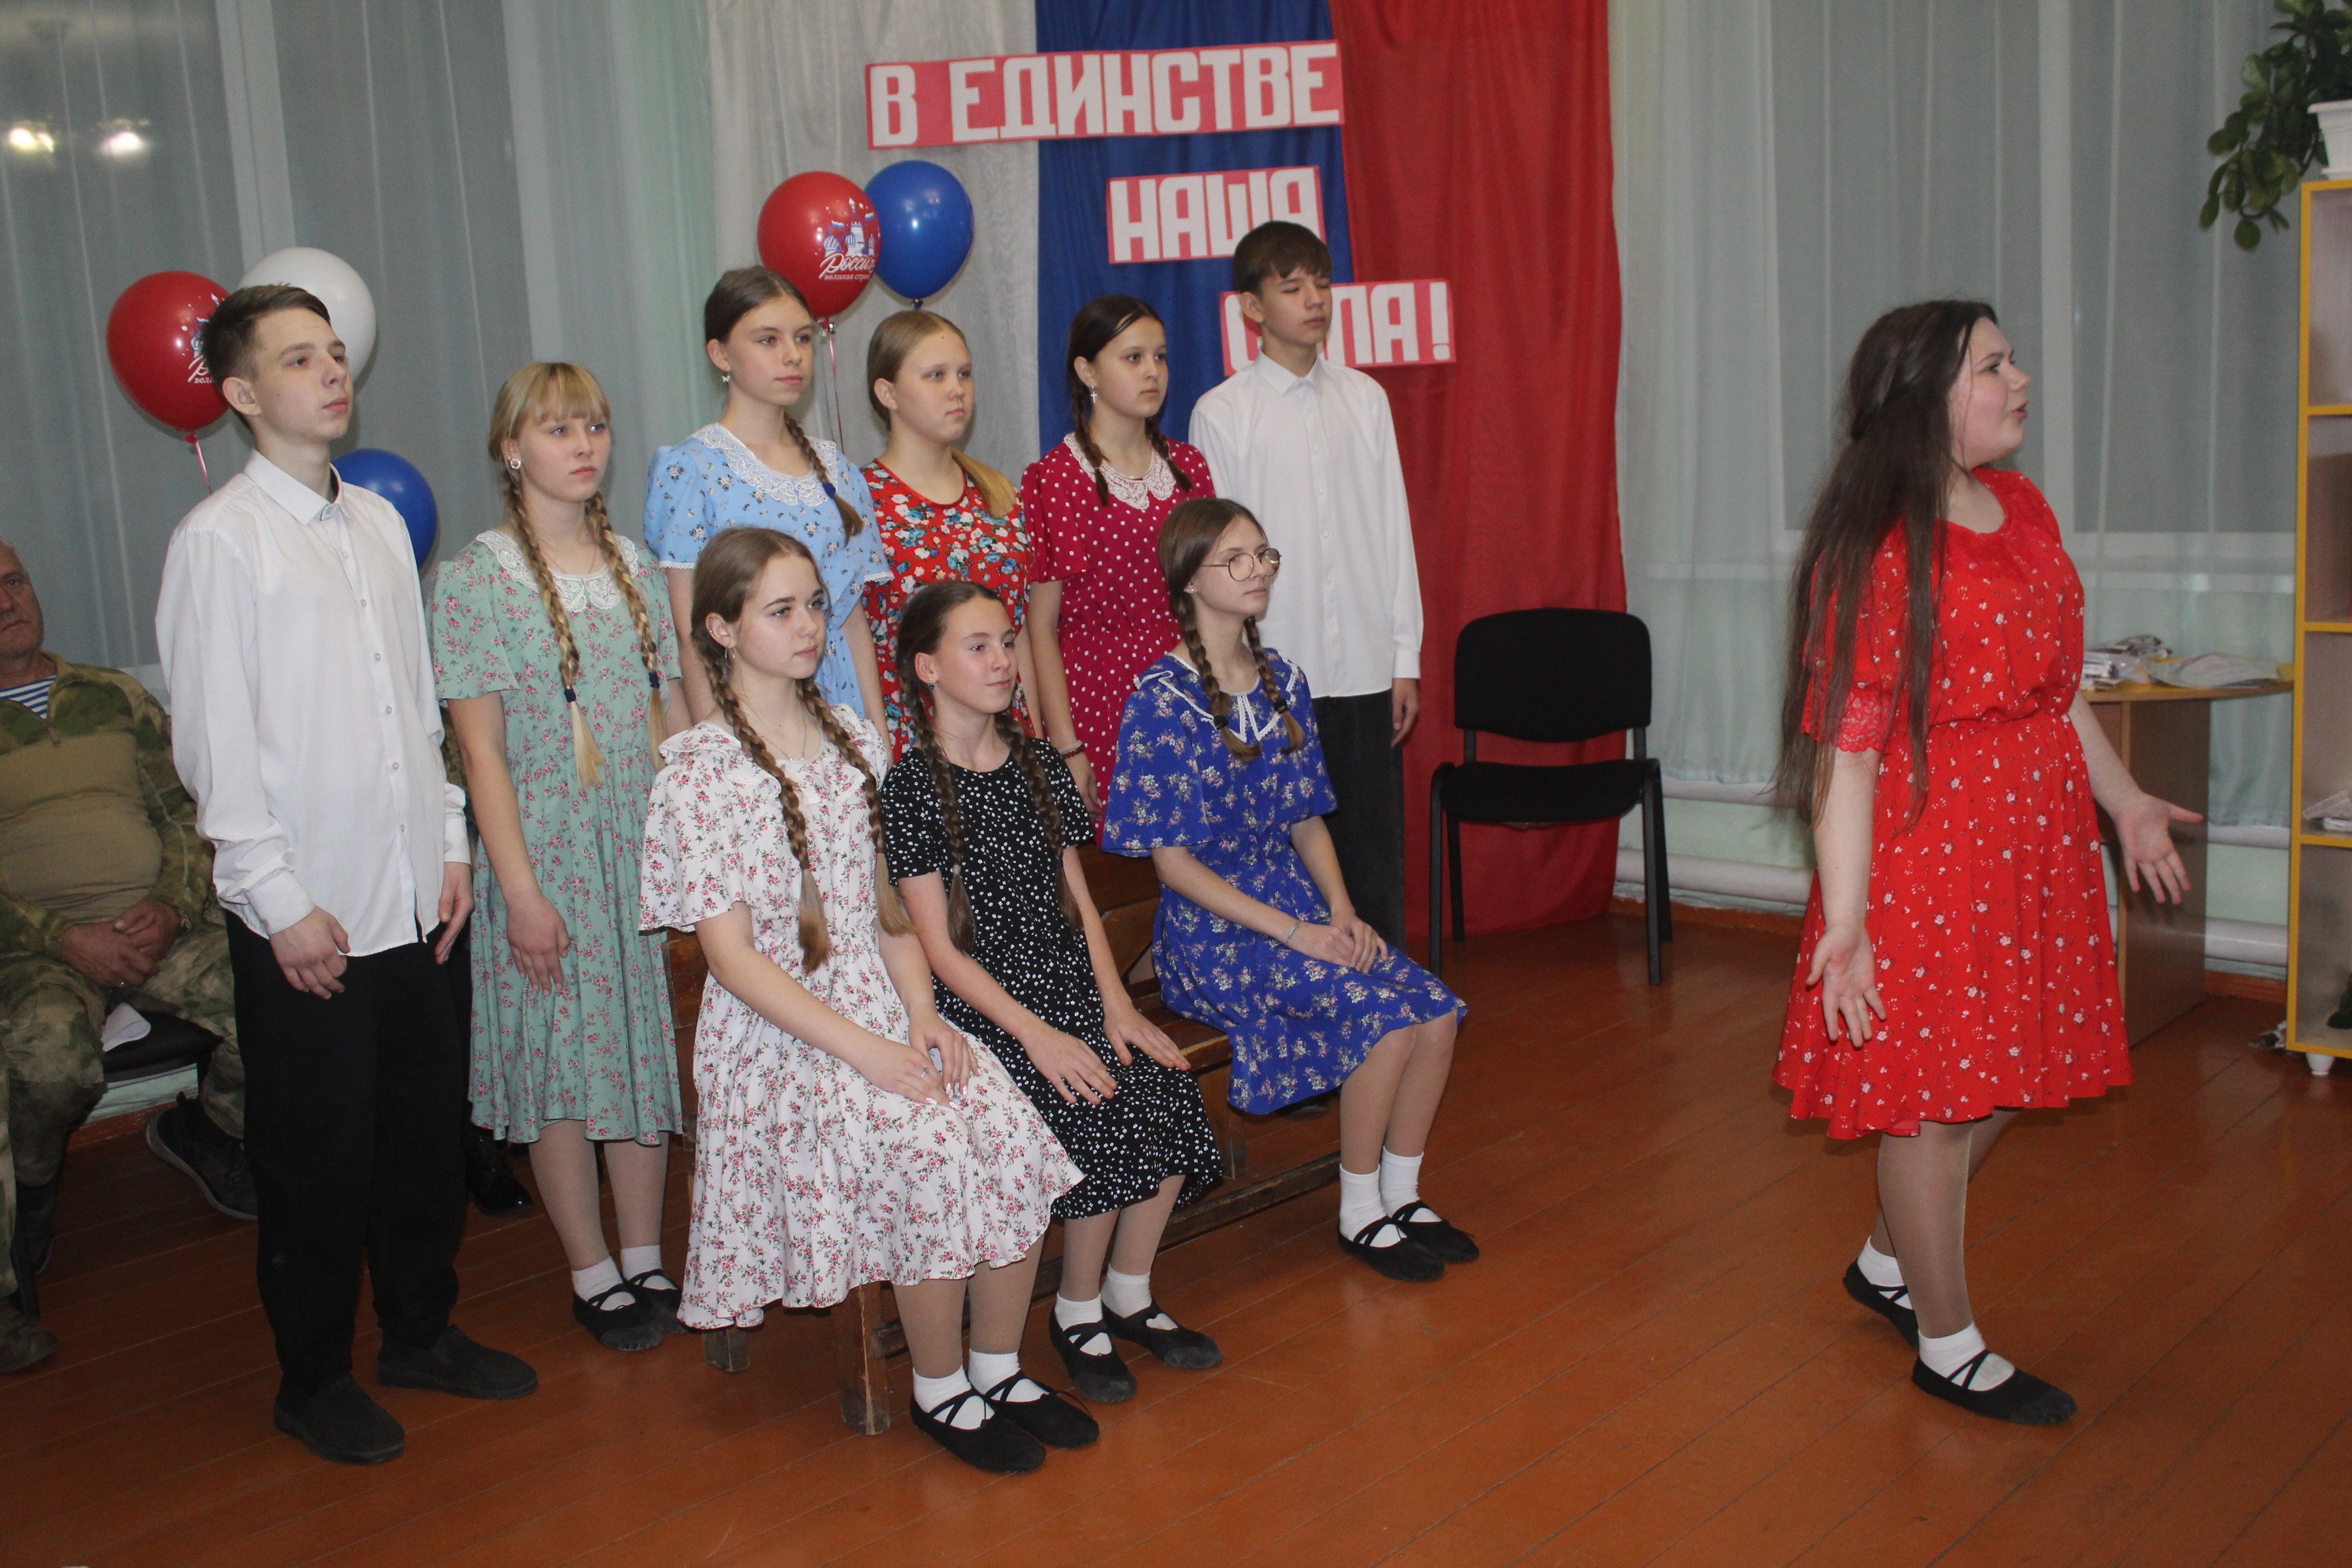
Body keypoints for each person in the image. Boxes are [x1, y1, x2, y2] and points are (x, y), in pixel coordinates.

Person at [1776, 300, 2200, 1426]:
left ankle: (1887, 1262)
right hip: (1930, 849)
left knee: (2005, 1068)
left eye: (2013, 360)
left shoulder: (2022, 506)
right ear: (1925, 399)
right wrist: (1848, 921)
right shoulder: (1876, 549)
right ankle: (1947, 1343)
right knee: (1934, 1100)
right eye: (1993, 365)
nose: (2021, 380)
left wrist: (2125, 804)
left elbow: (2057, 693)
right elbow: (1845, 756)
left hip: (2032, 837)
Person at [156, 283, 536, 1465]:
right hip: (308, 914)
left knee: (423, 1134)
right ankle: (311, 1377)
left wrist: (451, 844)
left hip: (414, 897)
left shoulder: (374, 520)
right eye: (295, 359)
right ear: (238, 392)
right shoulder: (220, 541)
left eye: (333, 353)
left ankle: (419, 1331)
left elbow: (415, 711)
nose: (329, 372)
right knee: (316, 1158)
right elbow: (214, 747)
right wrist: (280, 906)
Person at [640, 527, 1090, 1474]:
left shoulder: (855, 737)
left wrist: (922, 1017)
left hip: (883, 1001)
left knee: (1009, 1127)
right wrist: (867, 1050)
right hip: (781, 1031)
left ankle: (998, 1367)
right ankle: (939, 1388)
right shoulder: (699, 770)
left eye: (815, 604)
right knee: (928, 1150)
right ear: (721, 629)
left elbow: (887, 914)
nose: (810, 626)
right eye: (781, 611)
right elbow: (734, 962)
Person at [1102, 498, 1469, 1283]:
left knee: (1435, 1012)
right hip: (1213, 934)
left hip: (1298, 910)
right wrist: (1297, 933)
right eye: (1236, 559)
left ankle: (1400, 1196)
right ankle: (1359, 1210)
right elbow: (1175, 867)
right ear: (1189, 580)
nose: (1257, 571)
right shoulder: (1161, 700)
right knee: (1382, 1021)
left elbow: (1307, 821)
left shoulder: (1285, 681)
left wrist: (1342, 911)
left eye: (1264, 555)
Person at [882, 581, 1225, 1403]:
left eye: (1007, 642)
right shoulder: (912, 786)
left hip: (1068, 985)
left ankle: (1125, 1292)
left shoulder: (1037, 764)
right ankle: (1075, 1313)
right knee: (1094, 1105)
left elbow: (1078, 898)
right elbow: (938, 950)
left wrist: (1117, 1004)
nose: (1004, 660)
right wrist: (1037, 1034)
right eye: (979, 647)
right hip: (988, 1009)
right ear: (927, 668)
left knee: (1164, 1086)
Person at [434, 363, 685, 1352]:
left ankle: (645, 1253)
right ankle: (590, 1267)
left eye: (594, 426)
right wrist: (523, 892)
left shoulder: (633, 565)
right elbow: (481, 753)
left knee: (637, 1049)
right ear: (511, 450)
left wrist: (687, 849)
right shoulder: (476, 580)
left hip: (635, 849)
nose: (582, 446)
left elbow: (667, 715)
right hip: (544, 853)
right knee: (563, 1064)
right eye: (556, 429)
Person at [0, 540, 252, 1373]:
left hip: (155, 927)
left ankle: (208, 1133)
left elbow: (186, 810)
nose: (6, 601)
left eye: (14, 581)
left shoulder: (113, 695)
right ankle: (35, 1190)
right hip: (40, 951)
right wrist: (64, 937)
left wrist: (173, 909)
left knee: (277, 997)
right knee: (48, 1065)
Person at [1190, 222, 1424, 948]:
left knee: (1372, 856)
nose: (1314, 300)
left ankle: (1386, 992)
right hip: (1275, 672)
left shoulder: (1365, 398)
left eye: (1322, 284)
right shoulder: (1223, 412)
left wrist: (1404, 656)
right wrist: (1235, 668)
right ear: (1252, 307)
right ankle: (1308, 995)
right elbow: (1221, 560)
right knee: (1288, 856)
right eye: (1292, 288)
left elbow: (1393, 528)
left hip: (1363, 665)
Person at [645, 267, 888, 730]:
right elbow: (691, 631)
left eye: (802, 338)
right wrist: (720, 740)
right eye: (768, 340)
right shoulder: (692, 469)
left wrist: (878, 735)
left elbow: (851, 620)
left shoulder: (837, 471)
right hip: (749, 712)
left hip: (840, 708)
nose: (792, 355)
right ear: (720, 353)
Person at [1022, 296, 1214, 821]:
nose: (1153, 371)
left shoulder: (1189, 466)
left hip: (1190, 682)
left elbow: (1211, 597)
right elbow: (1041, 625)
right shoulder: (1057, 477)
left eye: (1160, 357)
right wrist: (1067, 747)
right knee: (1122, 859)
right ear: (1088, 371)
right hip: (1103, 697)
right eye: (1133, 358)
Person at [860, 310, 1039, 759]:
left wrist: (1038, 740)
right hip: (913, 743)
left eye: (964, 374)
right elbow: (853, 639)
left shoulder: (1000, 496)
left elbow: (1019, 633)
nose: (957, 389)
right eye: (936, 375)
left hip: (1005, 741)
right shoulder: (862, 503)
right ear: (888, 393)